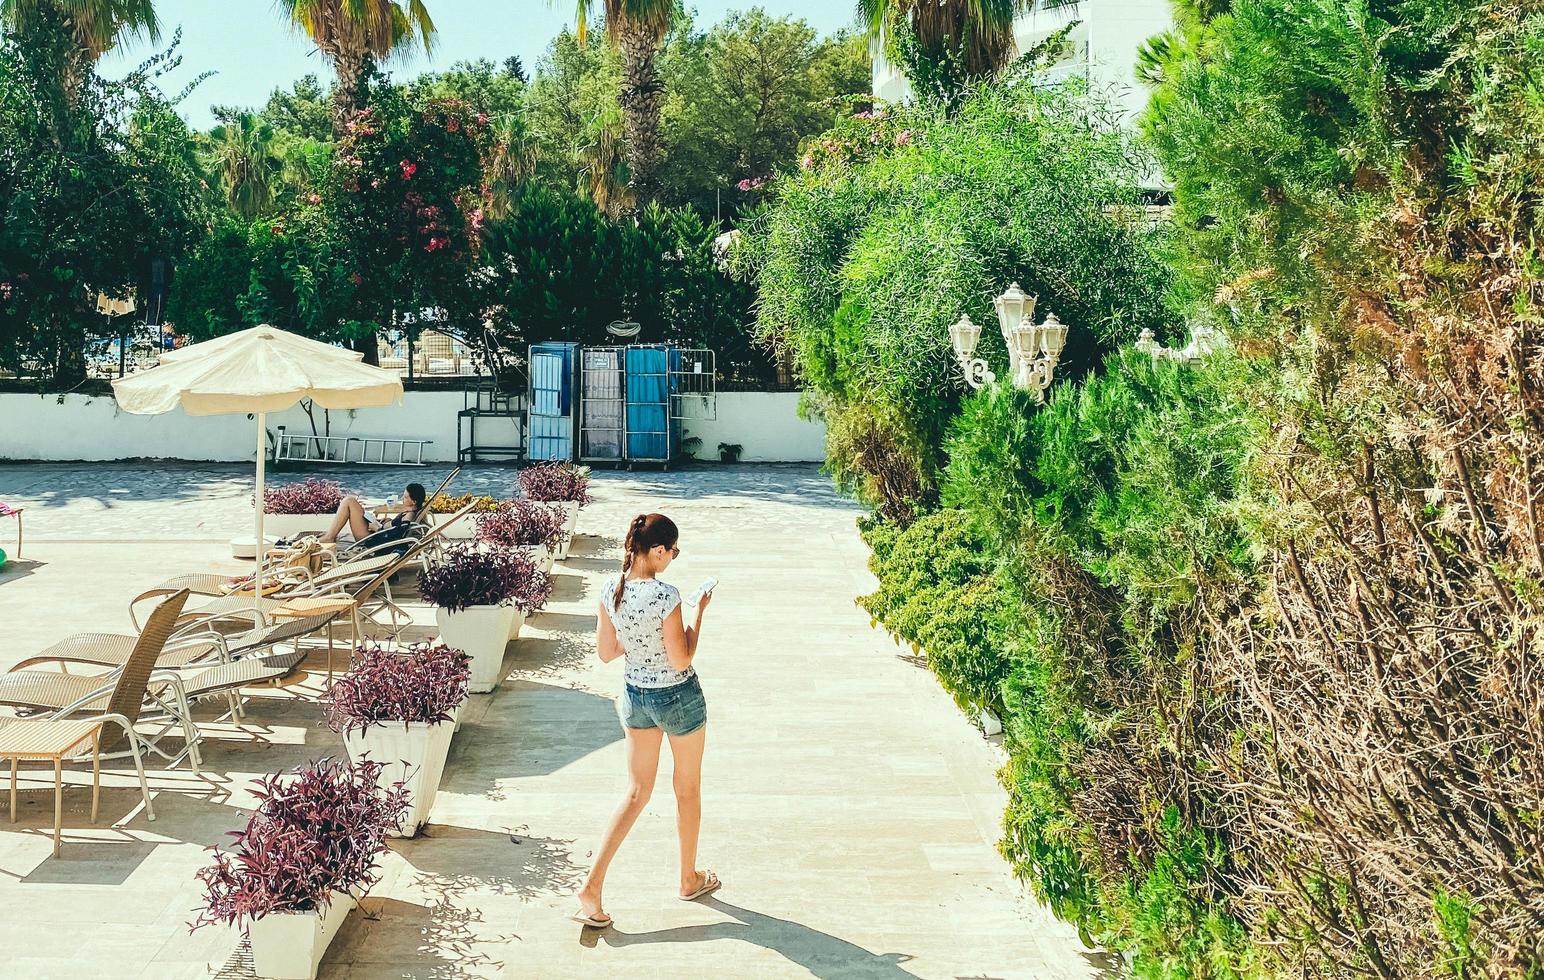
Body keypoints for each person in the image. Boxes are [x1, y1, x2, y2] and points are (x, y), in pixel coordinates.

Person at [575, 513, 715, 929]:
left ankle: (592, 884)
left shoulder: (609, 590)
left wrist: (637, 638)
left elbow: (606, 652)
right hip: (678, 698)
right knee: (686, 789)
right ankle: (688, 879)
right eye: (672, 551)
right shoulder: (666, 595)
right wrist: (698, 614)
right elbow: (682, 657)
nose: (673, 557)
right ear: (656, 551)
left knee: (636, 793)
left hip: (635, 697)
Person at [318, 483, 427, 544]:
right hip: (377, 533)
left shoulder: (409, 516)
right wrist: (387, 522)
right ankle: (330, 535)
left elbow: (397, 535)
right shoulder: (410, 512)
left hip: (372, 538)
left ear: (414, 501)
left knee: (349, 501)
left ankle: (329, 537)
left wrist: (377, 528)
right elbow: (397, 528)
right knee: (352, 503)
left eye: (406, 497)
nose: (403, 498)